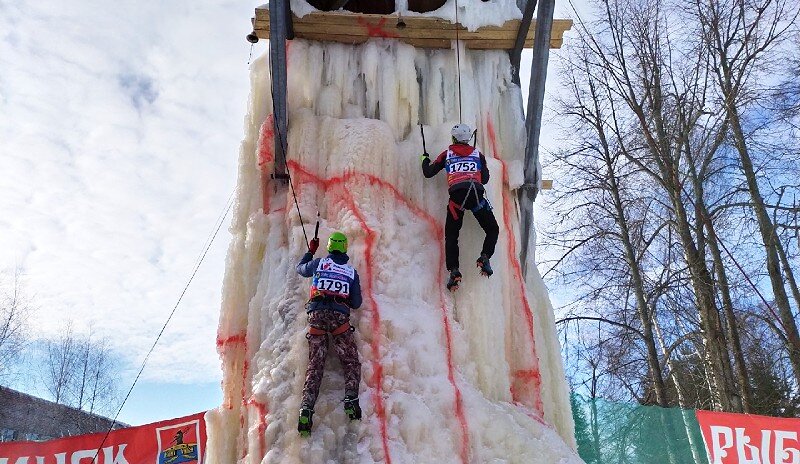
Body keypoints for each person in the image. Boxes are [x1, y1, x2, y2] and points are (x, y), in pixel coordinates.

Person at [295, 231, 363, 436]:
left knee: (315, 366)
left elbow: (300, 269)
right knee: (350, 362)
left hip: (316, 316)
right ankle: (351, 400)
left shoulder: (319, 264)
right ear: (345, 249)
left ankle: (306, 409)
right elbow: (357, 303)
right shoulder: (351, 273)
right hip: (339, 318)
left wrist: (310, 251)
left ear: (330, 247)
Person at [421, 123, 499, 291]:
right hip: (476, 196)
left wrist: (424, 159)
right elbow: (485, 179)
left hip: (457, 198)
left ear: (453, 138)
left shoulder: (447, 154)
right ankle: (485, 257)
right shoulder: (478, 155)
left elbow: (428, 172)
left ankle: (454, 270)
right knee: (492, 229)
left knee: (452, 236)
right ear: (469, 138)